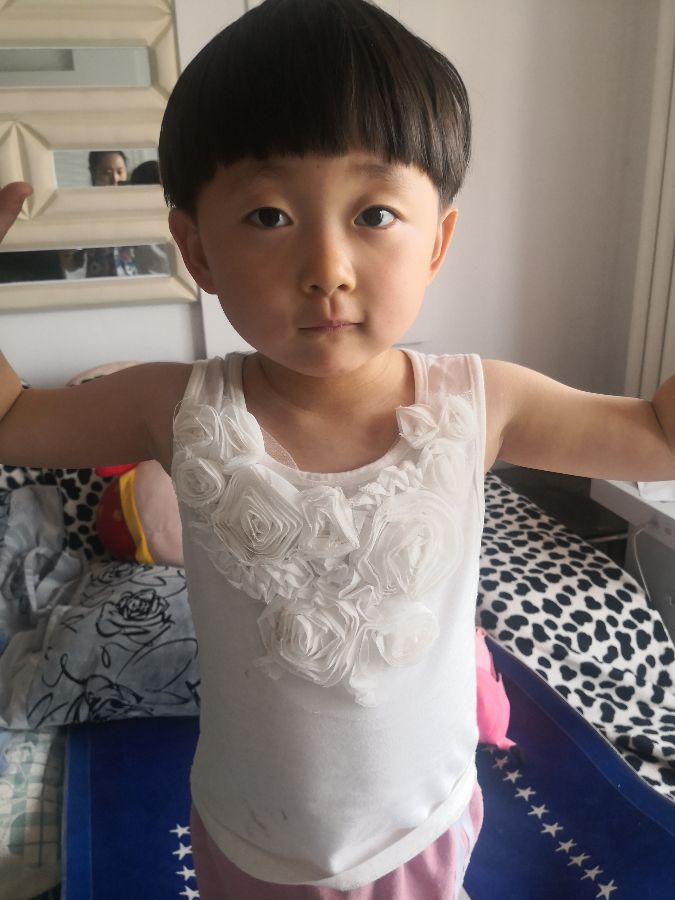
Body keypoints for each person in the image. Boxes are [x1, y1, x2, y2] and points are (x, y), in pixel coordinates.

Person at [0, 1, 673, 897]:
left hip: (420, 827)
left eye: (375, 213)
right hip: (248, 832)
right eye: (269, 215)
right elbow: (13, 421)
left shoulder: (481, 402)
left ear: (436, 241)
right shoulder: (175, 406)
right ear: (197, 249)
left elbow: (655, 438)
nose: (327, 267)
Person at [61, 150, 137, 277]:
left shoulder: (137, 207)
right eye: (107, 173)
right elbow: (72, 265)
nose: (115, 179)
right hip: (98, 286)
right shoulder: (84, 212)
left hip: (139, 285)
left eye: (120, 172)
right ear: (93, 173)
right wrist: (67, 253)